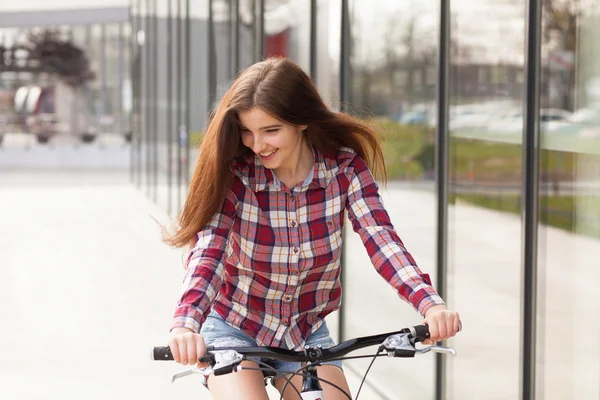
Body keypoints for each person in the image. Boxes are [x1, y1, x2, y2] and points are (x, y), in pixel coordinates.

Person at [165, 57, 461, 400]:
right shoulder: (238, 176)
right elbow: (208, 253)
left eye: (271, 130)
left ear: (302, 120)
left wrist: (431, 305)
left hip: (304, 333)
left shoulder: (345, 170)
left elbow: (382, 241)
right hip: (235, 327)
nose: (257, 145)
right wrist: (186, 323)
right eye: (248, 131)